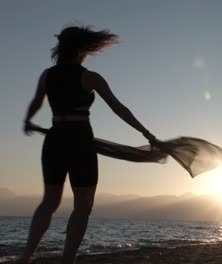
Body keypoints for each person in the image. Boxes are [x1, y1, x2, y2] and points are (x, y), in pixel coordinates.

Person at [18, 25, 160, 264]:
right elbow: (118, 108)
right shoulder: (89, 77)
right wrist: (146, 133)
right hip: (80, 141)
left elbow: (36, 103)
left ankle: (25, 257)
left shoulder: (47, 75)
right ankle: (67, 261)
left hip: (54, 139)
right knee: (83, 205)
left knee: (49, 202)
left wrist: (27, 121)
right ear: (82, 49)